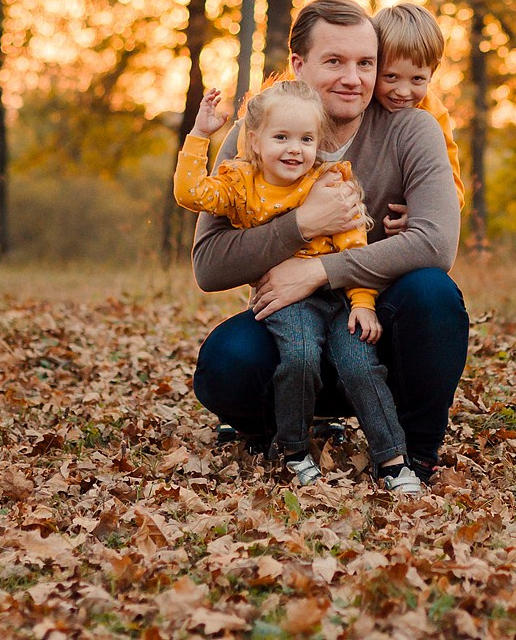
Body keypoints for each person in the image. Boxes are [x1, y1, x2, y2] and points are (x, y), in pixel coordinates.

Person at [188, 0, 467, 483]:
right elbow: (208, 265)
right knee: (226, 362)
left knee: (432, 293)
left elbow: (437, 244)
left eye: (366, 64)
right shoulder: (257, 132)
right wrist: (300, 226)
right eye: (335, 61)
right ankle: (280, 431)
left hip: (375, 326)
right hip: (292, 330)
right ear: (299, 64)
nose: (353, 79)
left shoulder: (412, 129)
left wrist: (318, 270)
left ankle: (417, 454)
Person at [175, 80, 425, 494]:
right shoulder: (240, 184)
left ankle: (393, 460)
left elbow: (353, 248)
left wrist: (363, 303)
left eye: (306, 139)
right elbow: (190, 193)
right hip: (289, 297)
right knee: (300, 356)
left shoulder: (326, 184)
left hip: (339, 294)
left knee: (360, 364)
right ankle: (293, 448)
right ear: (255, 141)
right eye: (281, 137)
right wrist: (201, 135)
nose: (295, 149)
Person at [371, 4, 466, 211]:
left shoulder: (433, 114)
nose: (403, 91)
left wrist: (421, 212)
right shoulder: (360, 102)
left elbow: (452, 188)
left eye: (416, 79)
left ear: (432, 73)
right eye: (391, 76)